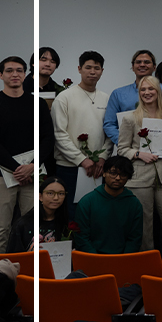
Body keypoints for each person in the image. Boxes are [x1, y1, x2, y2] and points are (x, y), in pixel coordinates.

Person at [0, 57, 52, 253]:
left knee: (33, 229)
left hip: (33, 175)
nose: (15, 74)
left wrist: (32, 167)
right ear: (1, 75)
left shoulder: (39, 104)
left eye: (19, 70)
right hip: (0, 175)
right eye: (9, 70)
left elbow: (48, 138)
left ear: (25, 74)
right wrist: (17, 169)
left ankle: (31, 272)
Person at [117, 75, 162, 251]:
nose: (147, 92)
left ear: (158, 91)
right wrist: (138, 154)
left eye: (151, 89)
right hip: (140, 177)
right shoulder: (130, 118)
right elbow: (121, 149)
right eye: (143, 90)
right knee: (144, 223)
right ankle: (146, 260)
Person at [51, 50, 113, 219]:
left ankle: (91, 246)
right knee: (70, 213)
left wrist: (102, 157)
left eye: (97, 68)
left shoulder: (107, 99)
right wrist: (82, 160)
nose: (93, 72)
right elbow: (59, 134)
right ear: (79, 69)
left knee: (95, 212)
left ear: (102, 71)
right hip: (69, 167)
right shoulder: (64, 98)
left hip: (97, 168)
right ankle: (72, 246)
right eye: (88, 67)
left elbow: (110, 132)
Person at [103, 50, 162, 145]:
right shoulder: (118, 94)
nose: (142, 65)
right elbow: (110, 125)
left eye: (147, 62)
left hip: (160, 148)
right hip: (128, 152)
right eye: (138, 62)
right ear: (133, 67)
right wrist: (125, 142)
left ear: (154, 67)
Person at [73, 156, 143, 254]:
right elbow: (82, 238)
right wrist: (96, 259)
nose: (118, 178)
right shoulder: (87, 202)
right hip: (93, 259)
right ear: (104, 173)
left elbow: (135, 239)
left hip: (123, 260)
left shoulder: (134, 204)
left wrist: (123, 259)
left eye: (123, 174)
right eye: (113, 173)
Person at [9, 177, 71, 253]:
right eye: (50, 193)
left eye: (61, 194)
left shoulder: (66, 223)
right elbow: (13, 256)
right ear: (40, 196)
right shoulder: (23, 224)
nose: (56, 198)